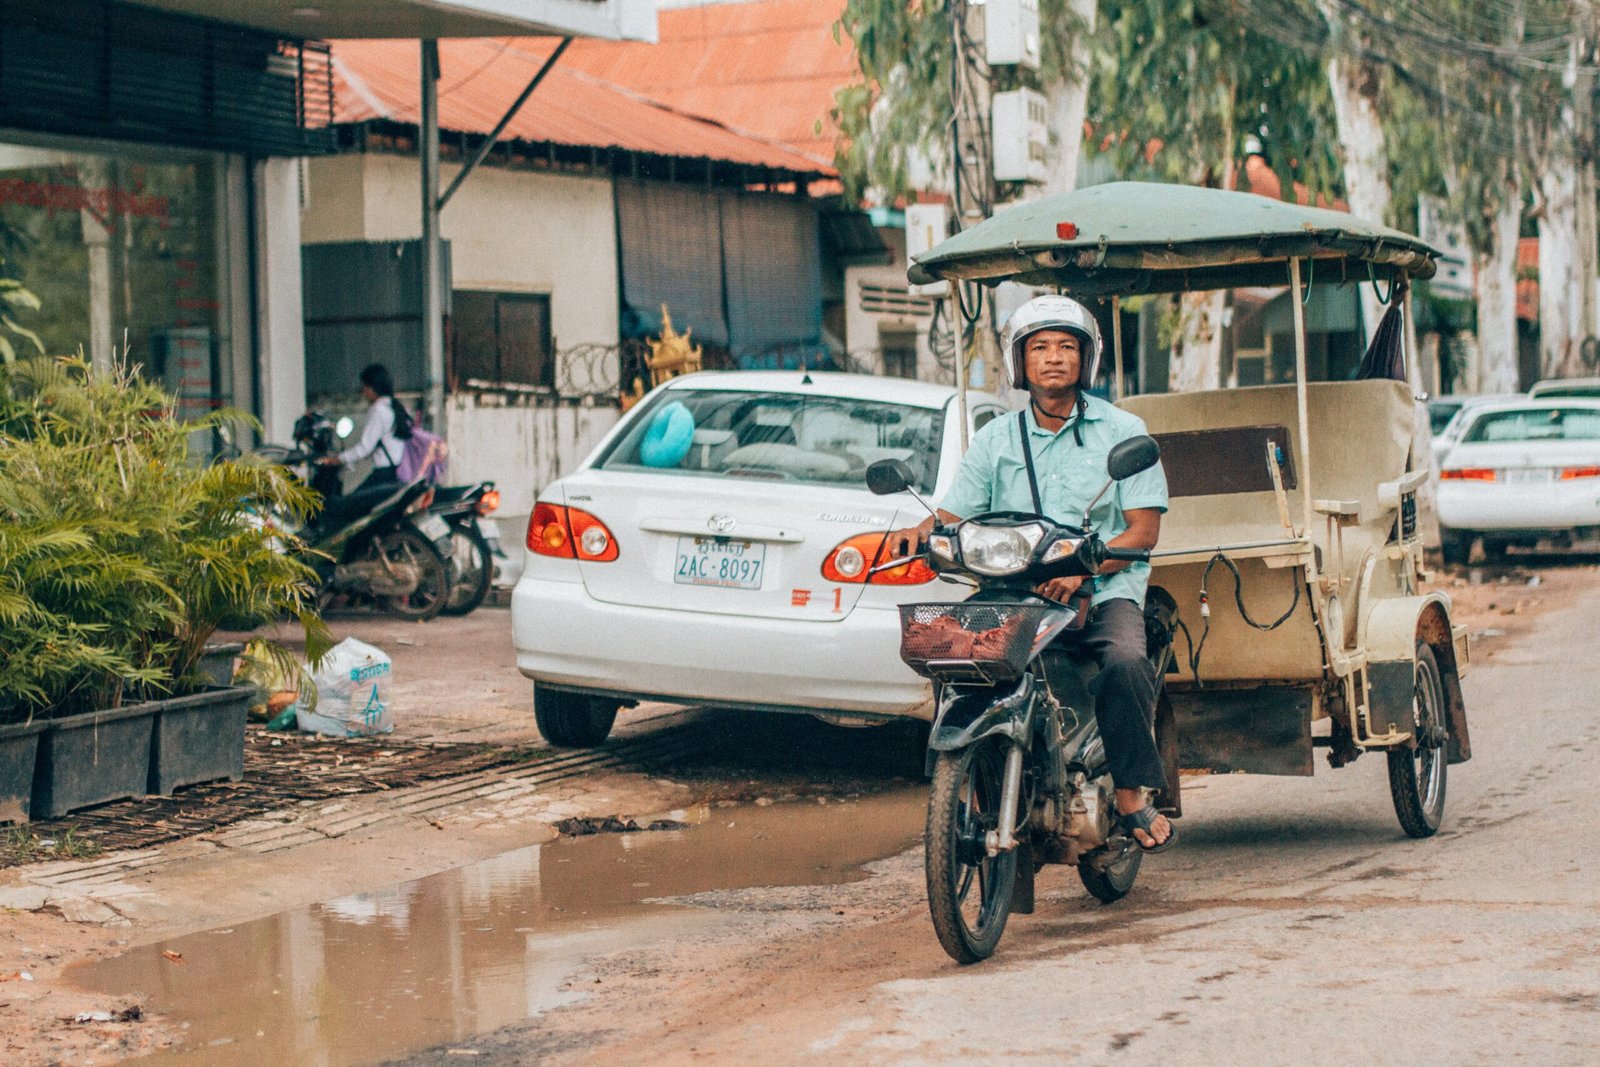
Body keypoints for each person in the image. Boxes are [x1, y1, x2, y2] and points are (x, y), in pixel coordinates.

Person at [888, 295, 1176, 852]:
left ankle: (1131, 793)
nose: (1053, 358)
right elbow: (950, 515)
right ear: (1020, 362)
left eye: (1066, 347)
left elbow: (1142, 533)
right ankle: (975, 775)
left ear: (1086, 360)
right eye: (1040, 347)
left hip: (1102, 586)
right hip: (1013, 590)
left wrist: (1084, 573)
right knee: (952, 654)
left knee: (1124, 660)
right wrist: (916, 533)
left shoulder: (1122, 429)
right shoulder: (997, 437)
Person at [321, 363, 411, 493]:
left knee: (350, 506)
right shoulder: (393, 406)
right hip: (395, 472)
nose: (363, 392)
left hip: (383, 475)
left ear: (371, 388)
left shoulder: (378, 410)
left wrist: (338, 459)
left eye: (364, 387)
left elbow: (365, 448)